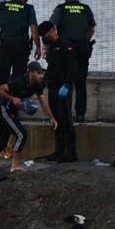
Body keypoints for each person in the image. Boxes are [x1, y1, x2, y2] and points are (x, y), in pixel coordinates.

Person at [0, 62, 51, 183]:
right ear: (30, 72)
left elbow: (43, 102)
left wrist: (52, 118)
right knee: (21, 133)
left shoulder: (37, 85)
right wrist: (12, 98)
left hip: (12, 112)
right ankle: (15, 165)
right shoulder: (19, 82)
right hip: (4, 109)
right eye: (38, 73)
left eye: (42, 73)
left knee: (2, 142)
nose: (41, 76)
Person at [0, 0, 41, 115]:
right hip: (21, 48)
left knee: (1, 78)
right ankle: (13, 112)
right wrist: (38, 47)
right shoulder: (28, 8)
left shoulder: (3, 6)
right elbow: (34, 29)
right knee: (18, 80)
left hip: (5, 46)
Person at [49, 0, 95, 122]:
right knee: (80, 82)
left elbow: (53, 26)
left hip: (66, 49)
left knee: (66, 81)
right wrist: (85, 39)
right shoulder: (86, 8)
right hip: (82, 48)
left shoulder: (61, 9)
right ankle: (80, 114)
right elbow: (92, 29)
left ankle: (66, 113)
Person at [37, 21, 75, 162]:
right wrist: (44, 82)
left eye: (45, 34)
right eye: (42, 35)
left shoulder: (66, 45)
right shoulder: (51, 47)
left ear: (53, 30)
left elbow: (72, 68)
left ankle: (71, 153)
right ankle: (58, 152)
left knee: (66, 121)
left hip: (63, 88)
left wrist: (67, 85)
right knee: (56, 121)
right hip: (53, 87)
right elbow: (52, 67)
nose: (44, 37)